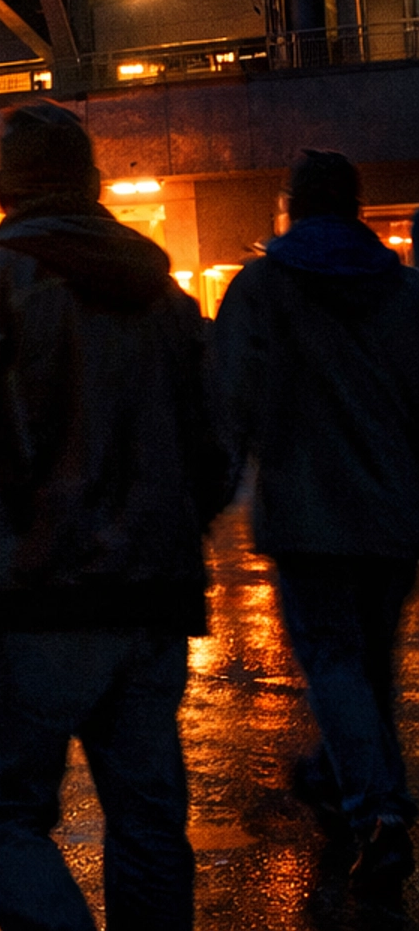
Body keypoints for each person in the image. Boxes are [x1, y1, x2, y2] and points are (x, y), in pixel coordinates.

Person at [0, 101, 231, 931]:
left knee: (5, 818)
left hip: (27, 598)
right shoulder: (167, 301)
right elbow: (217, 449)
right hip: (150, 600)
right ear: (94, 182)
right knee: (149, 825)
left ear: (6, 187)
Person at [212, 150, 419, 905]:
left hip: (306, 512)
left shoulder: (264, 287)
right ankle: (335, 776)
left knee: (333, 661)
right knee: (370, 668)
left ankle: (380, 811)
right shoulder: (403, 290)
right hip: (396, 514)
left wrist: (207, 500)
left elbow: (228, 401)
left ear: (292, 207)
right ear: (357, 207)